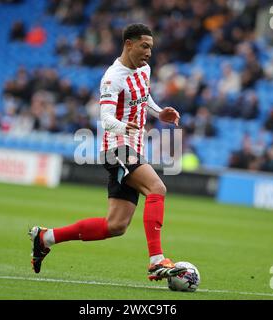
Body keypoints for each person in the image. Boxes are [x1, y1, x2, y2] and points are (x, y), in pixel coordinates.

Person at [28, 23, 185, 281]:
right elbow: (105, 118)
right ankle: (156, 261)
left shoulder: (144, 69)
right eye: (144, 46)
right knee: (157, 189)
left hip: (132, 147)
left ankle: (46, 237)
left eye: (151, 48)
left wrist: (159, 112)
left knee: (116, 225)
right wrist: (125, 125)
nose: (149, 53)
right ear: (128, 44)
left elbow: (143, 96)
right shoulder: (113, 78)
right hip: (116, 149)